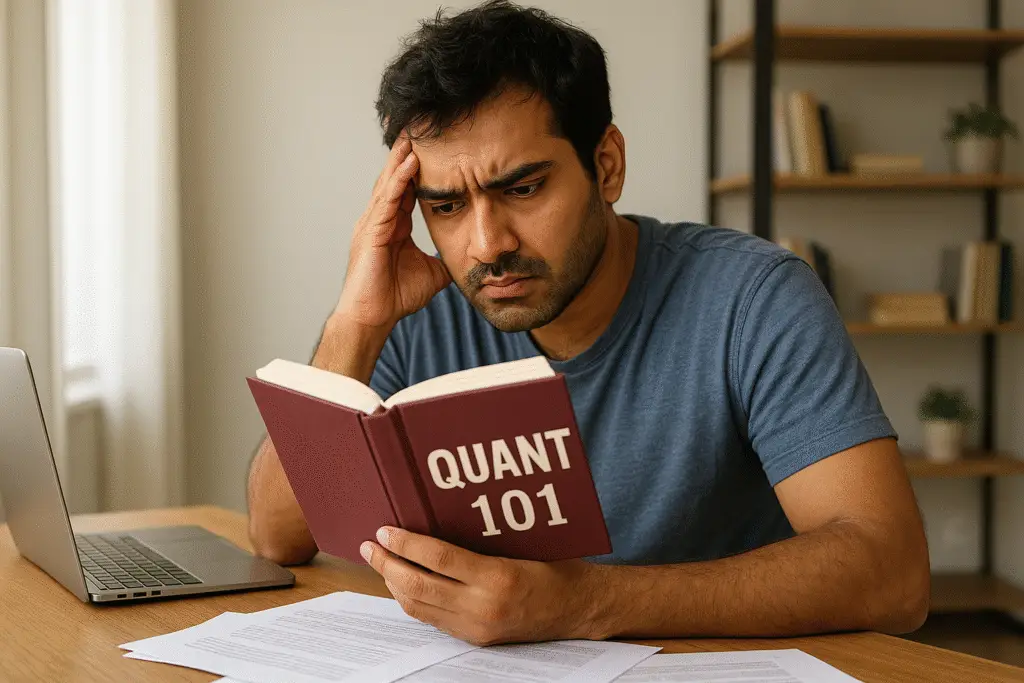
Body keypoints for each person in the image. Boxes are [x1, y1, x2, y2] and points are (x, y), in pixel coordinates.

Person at [246, 0, 929, 646]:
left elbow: (894, 574)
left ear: (606, 165)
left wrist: (582, 603)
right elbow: (277, 534)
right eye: (446, 206)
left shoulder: (753, 298)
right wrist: (356, 321)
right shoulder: (417, 310)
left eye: (521, 188)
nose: (486, 244)